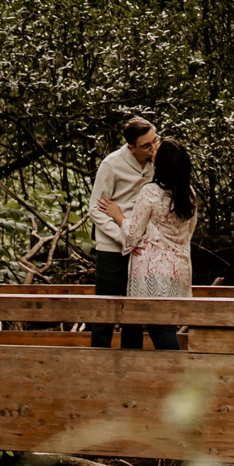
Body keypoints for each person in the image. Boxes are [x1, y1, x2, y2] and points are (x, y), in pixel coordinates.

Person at [99, 137, 197, 352]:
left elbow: (133, 235)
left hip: (154, 272)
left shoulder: (150, 192)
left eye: (156, 150)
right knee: (165, 325)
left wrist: (118, 216)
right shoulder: (189, 194)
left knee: (160, 328)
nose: (153, 150)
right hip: (179, 268)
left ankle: (175, 374)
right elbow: (188, 232)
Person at [88, 116, 157, 348]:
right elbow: (95, 210)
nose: (153, 147)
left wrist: (138, 239)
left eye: (154, 141)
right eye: (146, 145)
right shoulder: (112, 164)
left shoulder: (157, 161)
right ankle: (97, 360)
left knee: (134, 312)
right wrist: (124, 236)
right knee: (105, 311)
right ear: (131, 147)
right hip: (111, 247)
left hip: (142, 248)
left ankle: (132, 361)